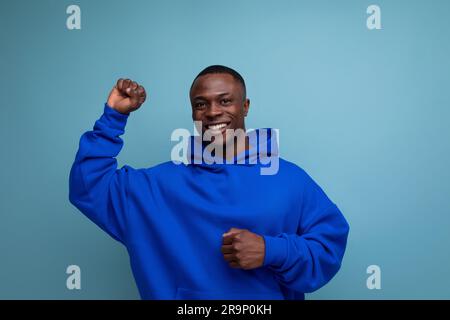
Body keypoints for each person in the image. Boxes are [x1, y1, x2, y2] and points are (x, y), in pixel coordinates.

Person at [69, 65, 350, 300]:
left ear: (246, 106)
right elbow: (88, 186)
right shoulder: (157, 186)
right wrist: (114, 116)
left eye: (225, 100)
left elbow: (328, 248)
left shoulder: (290, 180)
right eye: (201, 104)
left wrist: (271, 250)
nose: (213, 112)